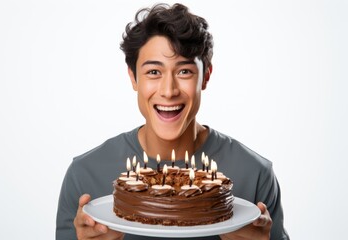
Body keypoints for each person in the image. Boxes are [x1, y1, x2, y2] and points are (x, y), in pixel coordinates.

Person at [56, 3, 290, 240]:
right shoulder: (84, 175)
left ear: (205, 76)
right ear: (133, 77)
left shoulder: (255, 174)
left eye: (184, 71)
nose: (168, 91)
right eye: (154, 72)